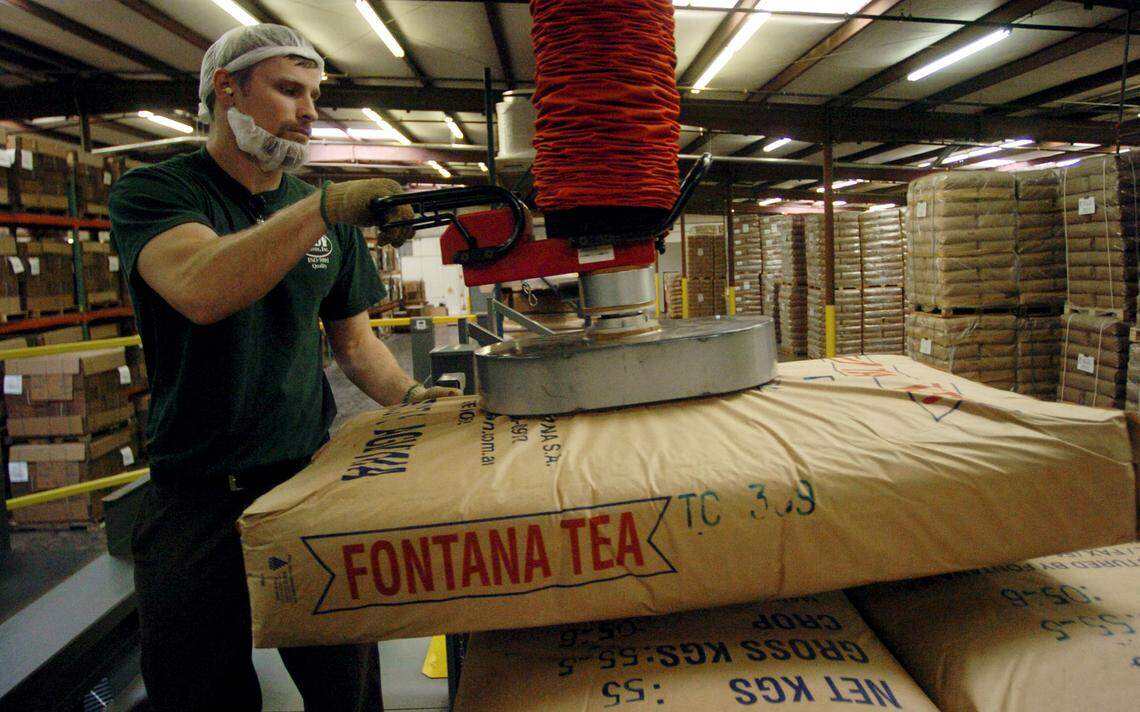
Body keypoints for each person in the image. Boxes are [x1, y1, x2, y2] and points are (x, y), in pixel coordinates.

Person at [109, 24, 458, 711]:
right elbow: (203, 289)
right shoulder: (157, 193)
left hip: (305, 483)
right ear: (226, 87)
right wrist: (321, 210)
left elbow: (357, 348)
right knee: (199, 693)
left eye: (314, 95)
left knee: (346, 690)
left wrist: (424, 402)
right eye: (287, 90)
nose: (307, 110)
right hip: (195, 497)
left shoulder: (315, 209)